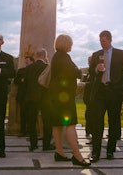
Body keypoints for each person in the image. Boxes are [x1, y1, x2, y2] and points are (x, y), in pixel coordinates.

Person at [49, 34, 91, 167]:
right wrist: (79, 71)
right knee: (70, 124)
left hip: (56, 96)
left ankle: (59, 152)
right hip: (64, 97)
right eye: (70, 43)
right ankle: (77, 156)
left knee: (57, 124)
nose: (71, 45)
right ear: (66, 44)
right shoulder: (63, 56)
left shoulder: (56, 56)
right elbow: (73, 72)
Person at [88, 30, 123, 162]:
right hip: (100, 92)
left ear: (110, 40)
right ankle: (96, 152)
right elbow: (91, 74)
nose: (101, 44)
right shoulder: (96, 55)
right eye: (100, 41)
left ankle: (110, 151)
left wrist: (120, 89)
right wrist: (95, 69)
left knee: (113, 122)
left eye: (103, 41)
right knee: (97, 122)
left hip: (114, 91)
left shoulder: (121, 54)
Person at [23, 48, 54, 152]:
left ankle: (33, 144)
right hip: (45, 98)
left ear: (36, 56)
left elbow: (25, 84)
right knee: (47, 122)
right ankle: (46, 145)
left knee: (32, 122)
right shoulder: (47, 67)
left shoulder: (29, 68)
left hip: (31, 98)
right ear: (45, 56)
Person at [14, 55, 34, 137]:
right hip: (22, 96)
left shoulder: (34, 70)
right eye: (25, 61)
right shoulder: (21, 70)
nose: (26, 62)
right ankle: (23, 131)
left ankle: (30, 131)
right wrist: (21, 80)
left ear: (32, 61)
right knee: (23, 115)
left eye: (28, 60)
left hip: (31, 96)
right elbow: (15, 81)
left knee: (31, 115)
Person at [82, 56, 92, 140]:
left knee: (91, 115)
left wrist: (85, 84)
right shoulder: (89, 72)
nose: (88, 63)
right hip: (88, 98)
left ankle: (91, 131)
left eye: (90, 61)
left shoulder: (95, 71)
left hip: (93, 98)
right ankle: (88, 131)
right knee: (88, 115)